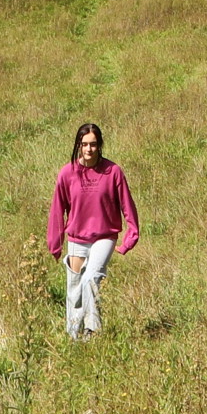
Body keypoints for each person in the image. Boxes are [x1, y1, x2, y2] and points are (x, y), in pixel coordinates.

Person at [49, 121, 139, 339]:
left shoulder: (113, 172)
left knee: (91, 278)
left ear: (100, 146)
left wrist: (130, 237)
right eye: (85, 144)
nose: (89, 149)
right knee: (75, 290)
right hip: (77, 238)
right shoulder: (67, 173)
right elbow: (57, 209)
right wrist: (55, 243)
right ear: (79, 145)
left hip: (104, 236)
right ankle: (73, 337)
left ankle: (92, 330)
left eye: (94, 144)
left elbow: (127, 205)